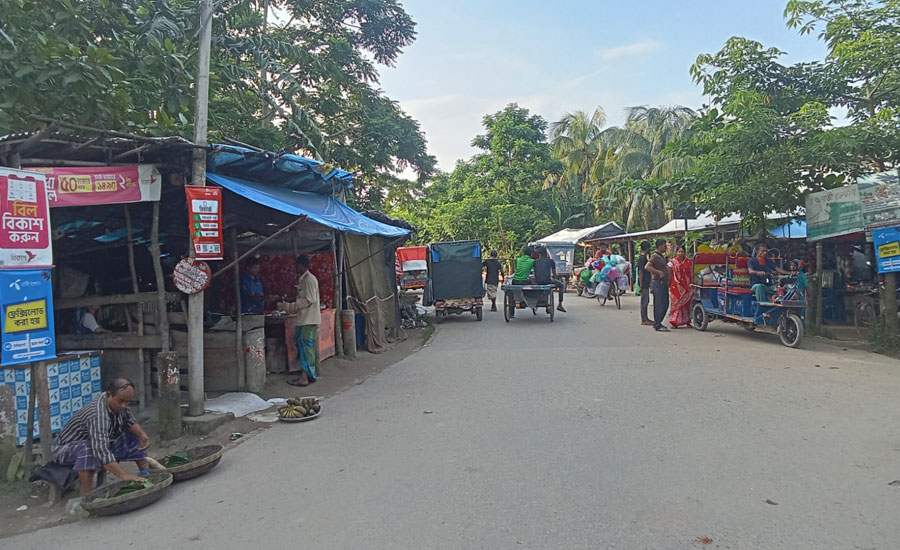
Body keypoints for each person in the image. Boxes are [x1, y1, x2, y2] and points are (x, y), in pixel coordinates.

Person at [51, 378, 150, 496]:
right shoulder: (97, 414)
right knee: (88, 449)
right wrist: (123, 475)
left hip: (98, 441)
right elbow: (101, 452)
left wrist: (141, 434)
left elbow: (128, 420)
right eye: (121, 401)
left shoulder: (118, 403)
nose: (124, 405)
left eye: (128, 402)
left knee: (132, 433)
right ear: (109, 395)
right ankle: (88, 496)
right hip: (64, 449)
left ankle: (145, 473)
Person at [288, 255, 321, 387]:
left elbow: (309, 299)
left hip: (308, 320)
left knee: (306, 348)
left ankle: (304, 378)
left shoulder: (309, 280)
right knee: (306, 348)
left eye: (297, 266)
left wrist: (293, 305)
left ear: (301, 265)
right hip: (304, 319)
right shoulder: (305, 280)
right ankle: (308, 375)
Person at [644, 238, 671, 332]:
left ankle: (658, 322)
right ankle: (657, 324)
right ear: (659, 246)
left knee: (665, 303)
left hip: (663, 282)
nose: (665, 247)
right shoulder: (655, 256)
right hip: (658, 282)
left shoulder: (661, 256)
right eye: (664, 246)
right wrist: (658, 272)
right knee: (659, 303)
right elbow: (647, 267)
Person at [534, 247, 566, 313]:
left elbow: (535, 272)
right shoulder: (550, 261)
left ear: (539, 254)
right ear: (546, 254)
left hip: (538, 281)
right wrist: (555, 278)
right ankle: (560, 304)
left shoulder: (535, 262)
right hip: (547, 280)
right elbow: (554, 273)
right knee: (561, 285)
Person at [667, 245, 693, 328]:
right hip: (675, 286)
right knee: (676, 304)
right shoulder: (672, 262)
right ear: (676, 252)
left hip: (686, 286)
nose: (681, 253)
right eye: (679, 251)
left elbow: (692, 273)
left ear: (685, 252)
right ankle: (674, 322)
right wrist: (668, 284)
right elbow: (670, 274)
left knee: (686, 304)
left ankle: (687, 321)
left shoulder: (689, 262)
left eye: (682, 251)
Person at [637, 241, 652, 326]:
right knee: (644, 301)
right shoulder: (642, 258)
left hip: (645, 282)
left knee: (646, 301)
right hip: (644, 283)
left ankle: (645, 318)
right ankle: (644, 319)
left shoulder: (643, 258)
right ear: (647, 249)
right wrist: (641, 284)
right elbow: (641, 272)